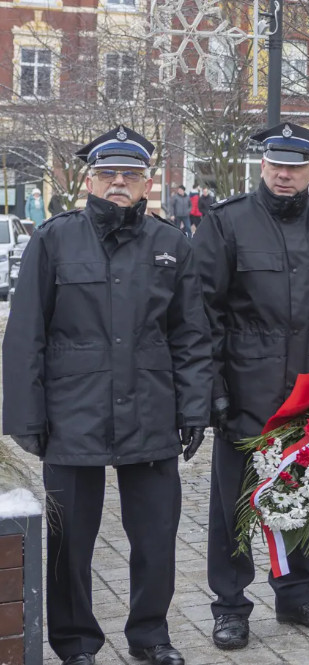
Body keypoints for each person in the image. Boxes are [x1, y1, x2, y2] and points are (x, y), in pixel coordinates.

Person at [3, 126, 213, 665]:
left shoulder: (171, 245)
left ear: (147, 183)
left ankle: (150, 635)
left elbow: (191, 334)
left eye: (131, 175)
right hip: (73, 412)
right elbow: (26, 333)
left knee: (155, 534)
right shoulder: (53, 240)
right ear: (88, 180)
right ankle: (75, 642)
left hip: (151, 408)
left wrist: (194, 408)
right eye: (107, 174)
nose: (118, 183)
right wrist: (25, 414)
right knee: (70, 539)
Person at [194, 123, 309, 650]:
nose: (285, 174)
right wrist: (214, 390)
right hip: (245, 391)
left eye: (296, 166)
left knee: (306, 492)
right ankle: (230, 604)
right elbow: (203, 312)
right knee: (233, 506)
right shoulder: (227, 224)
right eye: (277, 165)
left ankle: (297, 594)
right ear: (262, 165)